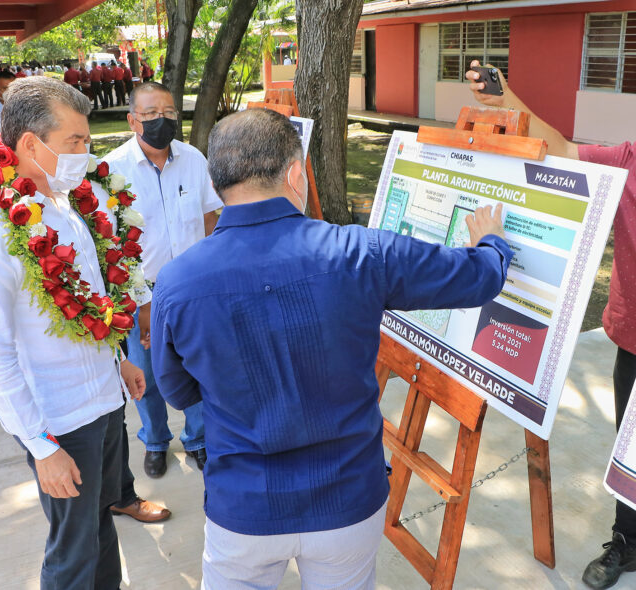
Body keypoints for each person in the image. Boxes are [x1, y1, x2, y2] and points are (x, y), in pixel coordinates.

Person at [148, 108, 511, 588]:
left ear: (217, 185)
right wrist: (491, 242)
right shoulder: (361, 253)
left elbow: (177, 390)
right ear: (296, 173)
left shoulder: (176, 281)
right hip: (346, 498)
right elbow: (478, 278)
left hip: (245, 504)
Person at [0, 77, 169, 590]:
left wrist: (120, 362)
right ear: (30, 144)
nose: (85, 153)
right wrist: (41, 446)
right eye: (74, 142)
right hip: (60, 420)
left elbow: (90, 298)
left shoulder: (66, 199)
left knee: (99, 530)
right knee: (72, 551)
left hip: (104, 400)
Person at [466, 59, 636, 590]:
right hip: (635, 345)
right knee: (629, 455)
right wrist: (505, 98)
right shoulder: (628, 161)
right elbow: (561, 150)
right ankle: (627, 543)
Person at [103, 82, 222, 478]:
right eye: (151, 114)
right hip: (139, 291)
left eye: (168, 113)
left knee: (196, 368)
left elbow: (209, 218)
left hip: (192, 287)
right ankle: (155, 440)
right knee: (145, 375)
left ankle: (198, 437)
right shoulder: (111, 172)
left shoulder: (192, 159)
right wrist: (141, 303)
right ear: (132, 119)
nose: (161, 121)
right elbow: (110, 245)